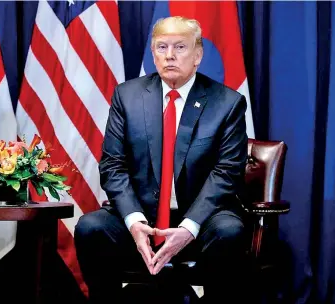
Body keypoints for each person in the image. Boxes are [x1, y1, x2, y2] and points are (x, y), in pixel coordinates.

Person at [74, 16, 248, 304]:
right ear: (153, 53)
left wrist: (188, 227)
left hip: (202, 221)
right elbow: (112, 165)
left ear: (198, 55)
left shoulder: (227, 103)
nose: (169, 55)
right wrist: (134, 221)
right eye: (161, 47)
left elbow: (227, 173)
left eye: (180, 47)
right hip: (143, 217)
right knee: (91, 227)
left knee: (230, 232)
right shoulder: (127, 96)